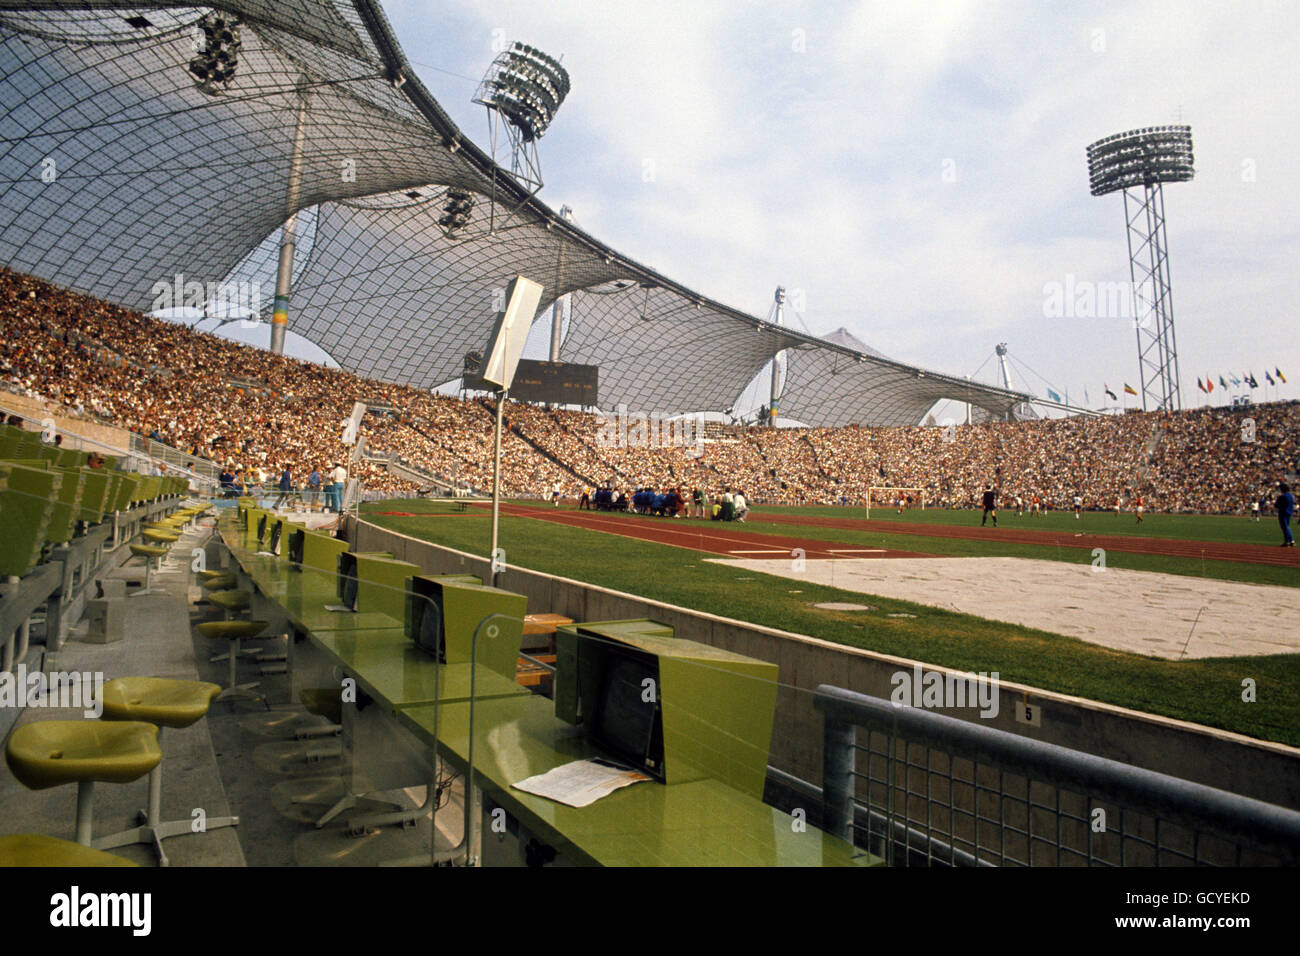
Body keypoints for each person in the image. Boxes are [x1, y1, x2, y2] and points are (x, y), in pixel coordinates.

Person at [1276, 482, 1295, 547]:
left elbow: (1277, 505)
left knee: (1285, 527)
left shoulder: (1283, 496)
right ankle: (1287, 541)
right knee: (1286, 527)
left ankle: (1291, 540)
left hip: (1283, 512)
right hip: (1289, 512)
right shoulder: (1291, 495)